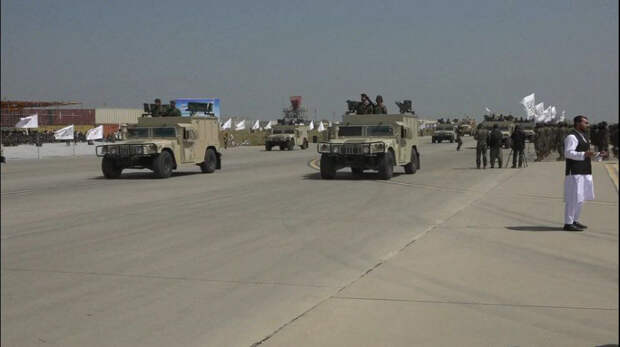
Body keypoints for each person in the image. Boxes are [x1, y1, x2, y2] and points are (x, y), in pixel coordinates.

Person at [563, 115, 606, 231]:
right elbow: (568, 153)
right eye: (585, 123)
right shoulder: (572, 137)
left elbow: (587, 154)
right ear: (578, 123)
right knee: (573, 198)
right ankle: (568, 223)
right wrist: (583, 154)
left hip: (585, 171)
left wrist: (598, 155)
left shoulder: (584, 137)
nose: (587, 125)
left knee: (581, 198)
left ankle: (574, 220)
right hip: (575, 172)